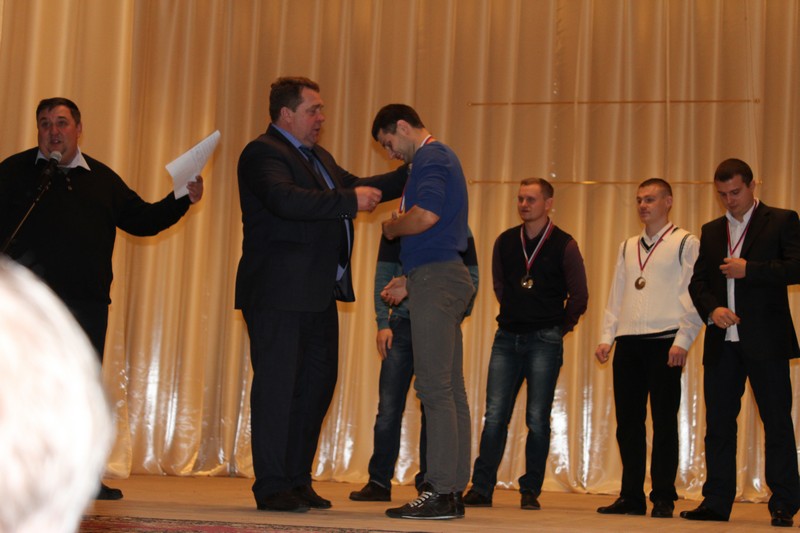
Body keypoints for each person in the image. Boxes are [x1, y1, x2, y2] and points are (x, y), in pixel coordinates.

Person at [0, 97, 204, 500]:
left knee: (79, 395)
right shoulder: (13, 172)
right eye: (45, 123)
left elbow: (143, 220)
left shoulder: (102, 180)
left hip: (86, 306)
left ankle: (79, 478)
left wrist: (182, 197)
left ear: (79, 129)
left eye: (61, 123)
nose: (53, 131)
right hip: (28, 309)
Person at [235, 77, 408, 513]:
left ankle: (297, 479)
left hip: (316, 294)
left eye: (321, 110)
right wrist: (349, 199)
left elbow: (359, 184)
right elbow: (285, 200)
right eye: (313, 110)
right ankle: (272, 485)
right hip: (277, 292)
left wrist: (416, 166)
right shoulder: (262, 153)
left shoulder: (318, 157)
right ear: (286, 114)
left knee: (316, 388)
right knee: (278, 389)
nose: (321, 118)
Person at [683, 158, 800, 527]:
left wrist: (750, 269)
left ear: (752, 185)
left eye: (735, 192)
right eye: (723, 194)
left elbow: (796, 267)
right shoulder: (711, 230)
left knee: (776, 422)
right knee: (718, 425)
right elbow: (698, 282)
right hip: (723, 343)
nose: (729, 200)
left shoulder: (781, 220)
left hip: (766, 340)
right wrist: (712, 309)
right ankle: (716, 502)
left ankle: (784, 502)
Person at [373, 103, 475, 520]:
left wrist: (391, 226)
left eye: (388, 143)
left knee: (434, 388)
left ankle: (441, 490)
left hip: (437, 279)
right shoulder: (438, 157)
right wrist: (410, 281)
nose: (390, 153)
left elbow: (426, 216)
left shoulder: (432, 156)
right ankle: (452, 489)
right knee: (450, 389)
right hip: (438, 276)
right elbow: (440, 233)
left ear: (402, 126)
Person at [462, 177, 588, 511]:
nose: (524, 205)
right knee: (494, 415)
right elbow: (500, 286)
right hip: (507, 337)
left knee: (537, 418)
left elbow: (579, 296)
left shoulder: (564, 244)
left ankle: (530, 490)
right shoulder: (505, 241)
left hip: (545, 339)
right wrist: (517, 313)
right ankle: (482, 488)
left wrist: (559, 327)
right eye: (520, 199)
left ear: (548, 204)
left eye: (531, 199)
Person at [594, 178, 702, 519]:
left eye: (650, 199)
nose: (643, 205)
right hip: (629, 341)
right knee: (628, 422)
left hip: (665, 341)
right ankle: (631, 496)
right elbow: (617, 292)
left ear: (668, 202)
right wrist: (607, 336)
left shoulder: (685, 242)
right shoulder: (628, 246)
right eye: (640, 200)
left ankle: (664, 496)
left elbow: (693, 295)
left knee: (664, 421)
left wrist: (683, 339)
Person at [349, 231, 479, 502]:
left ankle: (431, 483)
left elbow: (471, 278)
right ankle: (379, 481)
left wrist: (451, 314)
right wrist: (382, 323)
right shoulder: (398, 227)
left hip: (437, 321)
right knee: (389, 408)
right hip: (401, 325)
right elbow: (383, 277)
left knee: (437, 402)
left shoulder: (456, 229)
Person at [0, 258, 114, 533]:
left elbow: (142, 230)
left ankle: (65, 475)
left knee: (71, 392)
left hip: (88, 293)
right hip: (31, 284)